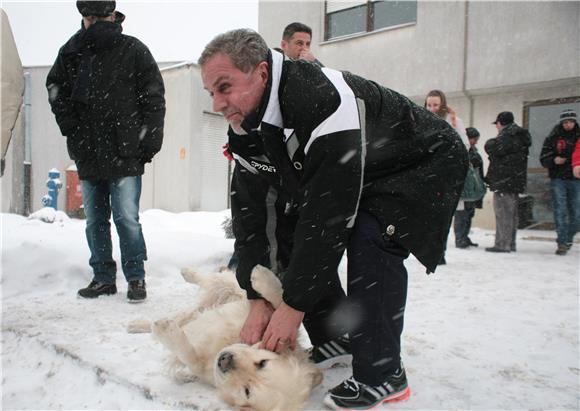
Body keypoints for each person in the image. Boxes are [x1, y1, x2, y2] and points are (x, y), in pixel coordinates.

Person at [198, 29, 468, 410]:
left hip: (419, 162)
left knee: (371, 238)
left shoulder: (319, 100)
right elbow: (253, 215)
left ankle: (384, 374)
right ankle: (333, 337)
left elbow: (328, 215)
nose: (218, 102)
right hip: (363, 170)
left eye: (224, 87)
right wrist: (257, 294)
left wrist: (292, 306)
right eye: (210, 92)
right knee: (291, 232)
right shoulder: (247, 126)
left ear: (260, 72)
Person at [46, 1, 165, 302]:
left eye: (100, 16)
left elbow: (154, 99)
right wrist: (70, 125)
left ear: (114, 15)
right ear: (83, 18)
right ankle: (102, 278)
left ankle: (136, 278)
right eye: (89, 17)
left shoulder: (133, 50)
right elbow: (54, 87)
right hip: (88, 150)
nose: (95, 22)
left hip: (125, 150)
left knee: (127, 218)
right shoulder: (71, 52)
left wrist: (148, 142)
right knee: (95, 220)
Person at [424, 89, 469, 263]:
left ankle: (439, 252)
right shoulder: (421, 120)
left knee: (443, 216)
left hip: (447, 176)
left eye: (435, 105)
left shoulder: (454, 121)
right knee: (429, 216)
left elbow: (464, 146)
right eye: (429, 105)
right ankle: (428, 249)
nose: (432, 108)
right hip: (427, 176)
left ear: (442, 104)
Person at [484, 111, 531, 253]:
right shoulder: (520, 136)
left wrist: (490, 143)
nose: (496, 127)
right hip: (514, 181)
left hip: (504, 182)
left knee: (503, 213)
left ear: (500, 123)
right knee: (511, 214)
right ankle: (510, 243)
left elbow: (492, 147)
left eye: (497, 124)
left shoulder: (507, 136)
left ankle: (502, 244)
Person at [540, 109, 580, 255]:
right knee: (560, 211)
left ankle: (568, 238)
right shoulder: (553, 137)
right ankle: (562, 242)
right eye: (565, 122)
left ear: (575, 122)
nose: (568, 125)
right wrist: (554, 160)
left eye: (570, 122)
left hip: (576, 179)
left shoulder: (578, 137)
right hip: (558, 178)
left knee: (576, 213)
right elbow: (543, 158)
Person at [454, 127, 484, 248]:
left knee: (469, 213)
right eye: (474, 139)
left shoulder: (473, 151)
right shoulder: (463, 150)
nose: (476, 141)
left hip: (472, 188)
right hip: (465, 189)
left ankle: (464, 236)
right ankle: (460, 238)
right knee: (462, 214)